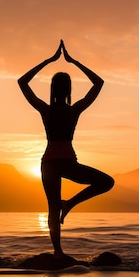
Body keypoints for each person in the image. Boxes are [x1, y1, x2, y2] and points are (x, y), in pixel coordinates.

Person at [18, 40, 114, 259]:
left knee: (53, 208)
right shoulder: (74, 110)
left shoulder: (46, 109)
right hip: (66, 163)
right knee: (106, 182)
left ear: (52, 89)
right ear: (69, 89)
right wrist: (73, 62)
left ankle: (58, 250)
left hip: (50, 162)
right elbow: (98, 83)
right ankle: (68, 207)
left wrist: (48, 61)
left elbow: (22, 82)